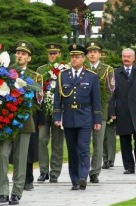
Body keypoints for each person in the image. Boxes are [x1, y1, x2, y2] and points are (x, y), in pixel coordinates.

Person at [0, 40, 40, 205]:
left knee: (21, 158)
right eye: (18, 53)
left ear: (29, 58)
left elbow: (38, 101)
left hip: (24, 121)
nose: (20, 56)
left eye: (24, 54)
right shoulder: (4, 73)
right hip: (4, 120)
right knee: (3, 156)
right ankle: (3, 191)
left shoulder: (35, 77)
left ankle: (16, 192)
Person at [53, 44, 102, 190]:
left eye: (77, 57)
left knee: (83, 148)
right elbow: (58, 98)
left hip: (85, 116)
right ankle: (74, 180)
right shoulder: (62, 76)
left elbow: (96, 100)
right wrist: (57, 116)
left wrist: (97, 119)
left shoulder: (91, 76)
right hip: (69, 116)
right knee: (72, 150)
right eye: (72, 57)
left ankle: (82, 177)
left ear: (83, 58)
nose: (74, 59)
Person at [108, 48, 136, 174]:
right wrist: (112, 112)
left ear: (133, 58)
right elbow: (112, 94)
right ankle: (129, 167)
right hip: (123, 111)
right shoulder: (116, 73)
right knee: (125, 140)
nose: (126, 59)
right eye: (124, 56)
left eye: (128, 56)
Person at [85, 41, 115, 183]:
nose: (92, 54)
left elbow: (110, 91)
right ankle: (83, 169)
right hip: (83, 110)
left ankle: (95, 171)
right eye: (90, 51)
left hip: (100, 110)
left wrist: (97, 103)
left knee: (98, 141)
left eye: (95, 51)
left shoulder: (107, 70)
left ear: (100, 54)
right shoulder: (82, 68)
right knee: (83, 142)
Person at [36, 43, 65, 183]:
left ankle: (55, 172)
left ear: (60, 54)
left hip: (58, 111)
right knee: (41, 140)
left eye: (55, 53)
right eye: (50, 53)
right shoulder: (41, 70)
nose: (52, 56)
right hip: (44, 111)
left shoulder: (65, 69)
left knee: (57, 143)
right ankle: (43, 171)